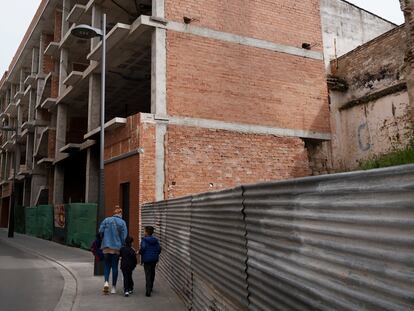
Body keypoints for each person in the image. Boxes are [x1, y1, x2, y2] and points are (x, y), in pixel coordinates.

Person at [99, 206, 127, 294]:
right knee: (115, 267)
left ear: (114, 213)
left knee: (107, 265)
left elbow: (100, 231)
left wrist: (104, 237)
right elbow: (124, 236)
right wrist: (122, 244)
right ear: (120, 213)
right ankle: (114, 287)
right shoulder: (122, 222)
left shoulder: (106, 220)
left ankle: (106, 282)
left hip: (106, 246)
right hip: (116, 248)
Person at [139, 226, 161, 297]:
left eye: (144, 231)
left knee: (148, 274)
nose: (144, 232)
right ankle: (151, 287)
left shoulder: (144, 240)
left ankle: (148, 290)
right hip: (154, 259)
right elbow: (159, 249)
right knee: (152, 272)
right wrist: (155, 254)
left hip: (147, 259)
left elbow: (143, 248)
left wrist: (140, 253)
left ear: (146, 232)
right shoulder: (156, 240)